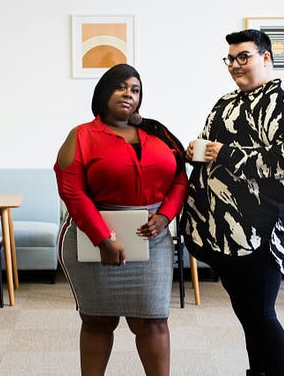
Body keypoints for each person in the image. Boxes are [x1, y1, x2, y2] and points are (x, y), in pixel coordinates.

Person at [180, 29, 284, 376]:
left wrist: (225, 154)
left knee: (259, 313)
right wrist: (195, 152)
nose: (234, 65)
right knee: (248, 314)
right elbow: (208, 145)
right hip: (221, 231)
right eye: (230, 58)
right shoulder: (225, 102)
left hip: (263, 230)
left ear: (266, 57)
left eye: (243, 56)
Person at [54, 63, 188, 376]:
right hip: (93, 238)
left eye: (135, 89)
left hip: (152, 240)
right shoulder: (82, 135)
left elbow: (181, 179)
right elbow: (72, 191)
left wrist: (166, 216)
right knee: (98, 320)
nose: (128, 94)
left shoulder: (158, 133)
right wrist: (103, 239)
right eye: (121, 86)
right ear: (103, 92)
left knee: (153, 321)